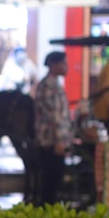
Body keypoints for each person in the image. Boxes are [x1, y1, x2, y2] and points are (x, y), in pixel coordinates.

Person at [33, 51, 73, 206]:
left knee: (55, 183)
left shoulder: (54, 84)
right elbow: (54, 116)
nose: (66, 67)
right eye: (63, 63)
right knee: (50, 184)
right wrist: (60, 141)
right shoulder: (48, 86)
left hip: (56, 141)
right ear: (53, 65)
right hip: (51, 142)